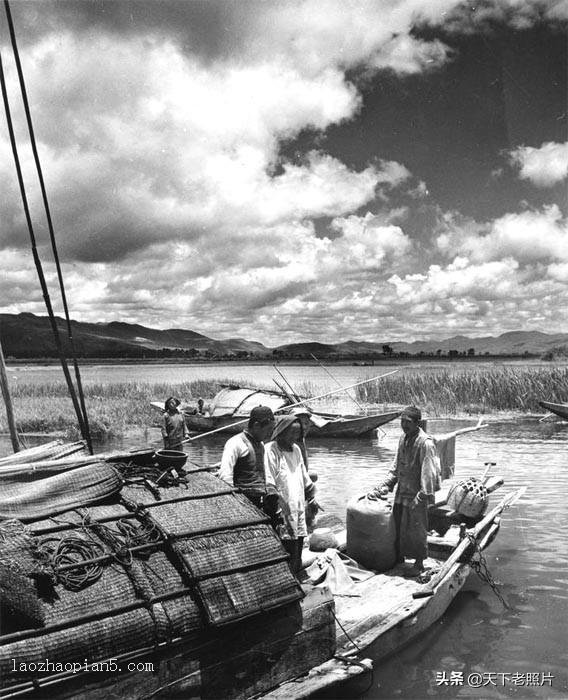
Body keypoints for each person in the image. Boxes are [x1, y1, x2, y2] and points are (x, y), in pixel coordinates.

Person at [369, 405, 440, 574]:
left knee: (417, 528)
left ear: (417, 423)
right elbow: (396, 465)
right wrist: (386, 484)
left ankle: (419, 563)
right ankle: (399, 557)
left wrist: (422, 495)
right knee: (398, 525)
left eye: (407, 422)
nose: (404, 425)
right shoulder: (403, 438)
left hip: (417, 493)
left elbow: (429, 471)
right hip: (402, 491)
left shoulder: (426, 443)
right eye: (402, 421)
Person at [264, 415, 318, 574]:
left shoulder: (296, 450)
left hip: (298, 504)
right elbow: (269, 478)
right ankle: (287, 578)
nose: (294, 438)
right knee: (285, 545)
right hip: (283, 506)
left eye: (296, 434)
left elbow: (303, 477)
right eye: (291, 434)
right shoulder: (271, 449)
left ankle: (296, 575)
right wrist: (277, 504)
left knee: (299, 544)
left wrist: (312, 497)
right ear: (280, 432)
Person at [218, 405, 275, 509]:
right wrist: (233, 502)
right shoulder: (235, 443)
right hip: (241, 499)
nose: (270, 434)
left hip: (258, 497)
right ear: (257, 425)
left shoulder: (260, 444)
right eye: (268, 430)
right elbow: (225, 475)